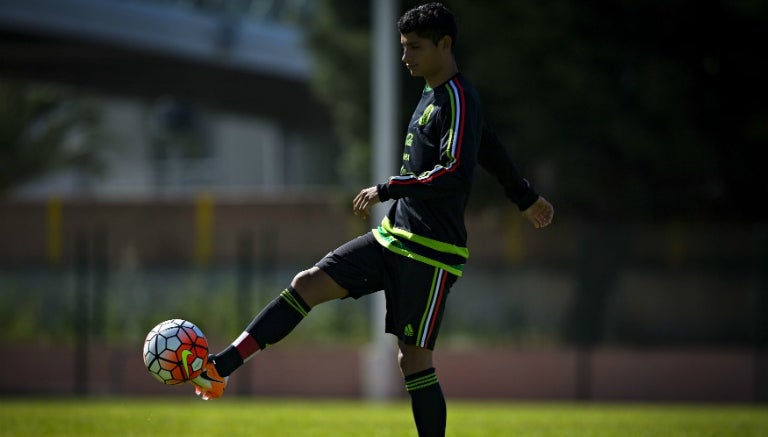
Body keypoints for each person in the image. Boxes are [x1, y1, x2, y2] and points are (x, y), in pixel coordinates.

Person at [190, 3, 553, 436]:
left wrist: (390, 187)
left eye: (415, 47)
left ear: (445, 44)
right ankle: (222, 367)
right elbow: (489, 146)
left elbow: (455, 171)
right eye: (402, 48)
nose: (405, 57)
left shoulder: (458, 96)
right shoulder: (432, 94)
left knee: (413, 360)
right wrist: (526, 197)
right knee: (307, 283)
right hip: (393, 237)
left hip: (430, 253)